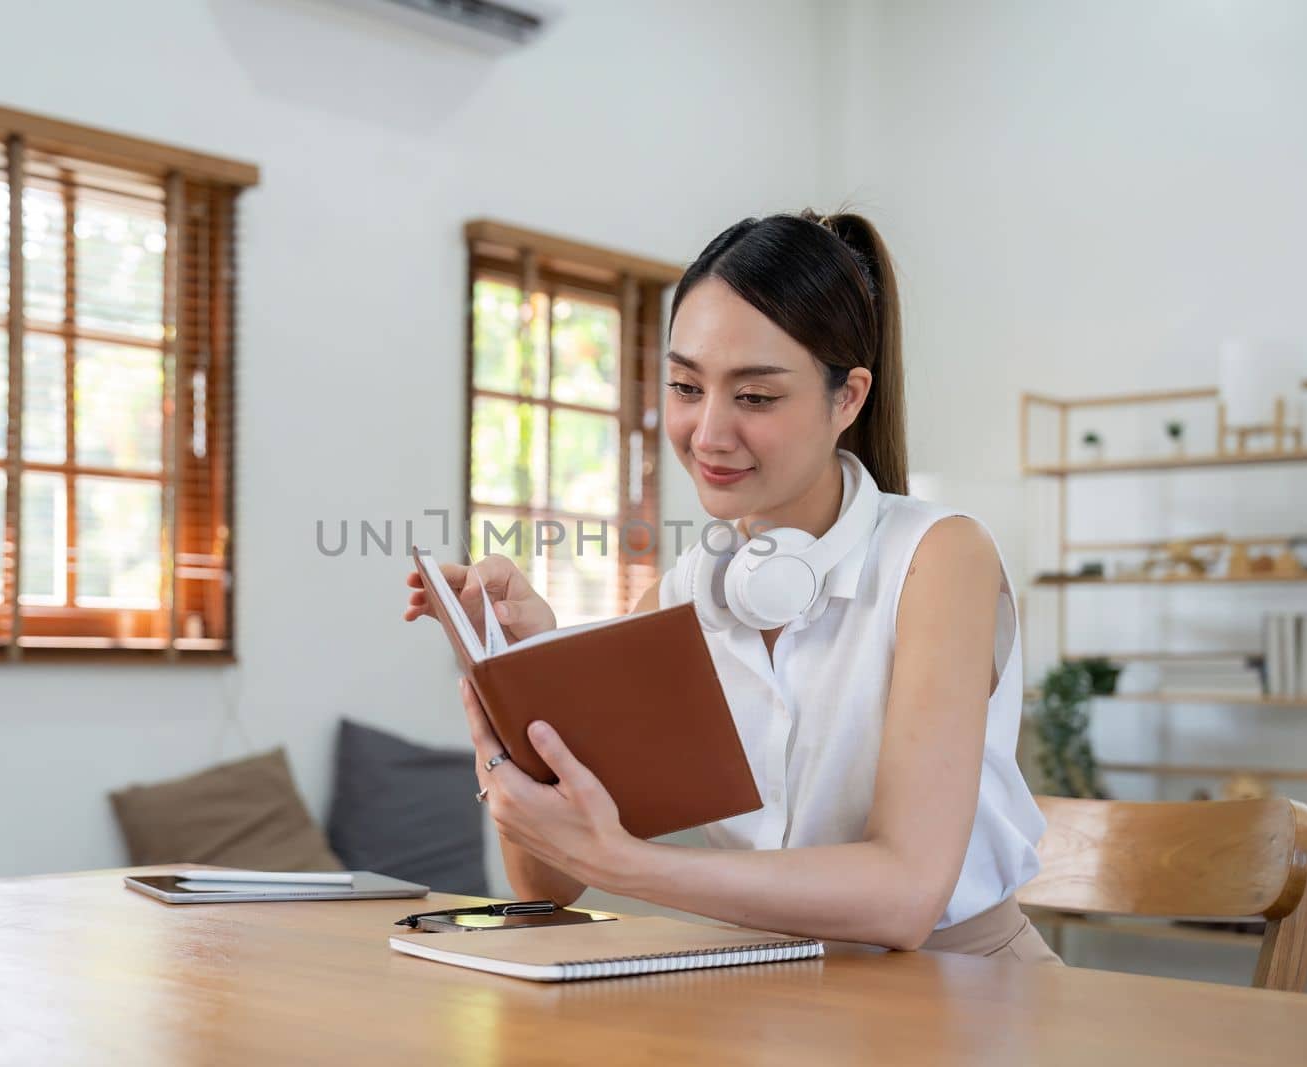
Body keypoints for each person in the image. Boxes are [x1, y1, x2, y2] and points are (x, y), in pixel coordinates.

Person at [404, 209, 1059, 962]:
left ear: (846, 398)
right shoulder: (684, 594)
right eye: (686, 385)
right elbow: (549, 881)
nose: (708, 432)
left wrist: (633, 865)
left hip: (963, 992)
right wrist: (528, 685)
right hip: (772, 1000)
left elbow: (906, 893)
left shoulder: (939, 558)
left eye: (754, 397)